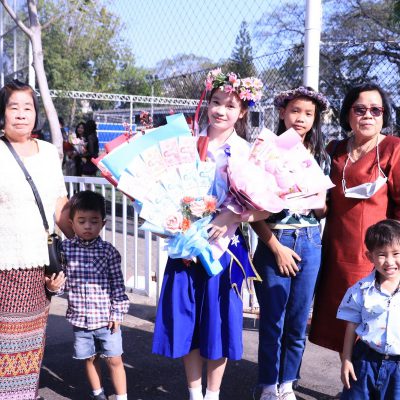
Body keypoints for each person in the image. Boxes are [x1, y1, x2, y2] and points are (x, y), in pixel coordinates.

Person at [152, 69, 269, 400]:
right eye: (216, 102)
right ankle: (194, 393)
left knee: (219, 324)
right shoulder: (186, 144)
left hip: (223, 251)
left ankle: (213, 394)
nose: (221, 110)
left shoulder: (247, 152)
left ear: (242, 112)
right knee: (187, 322)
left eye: (230, 106)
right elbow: (161, 190)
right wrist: (168, 221)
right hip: (186, 247)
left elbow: (265, 206)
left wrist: (231, 215)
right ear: (207, 103)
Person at [250, 87, 330, 400]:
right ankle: (268, 385)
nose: (301, 118)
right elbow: (250, 212)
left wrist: (319, 199)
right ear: (282, 113)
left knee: (297, 321)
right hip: (277, 239)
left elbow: (322, 212)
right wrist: (276, 248)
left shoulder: (320, 156)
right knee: (273, 321)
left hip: (310, 240)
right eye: (295, 111)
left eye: (308, 114)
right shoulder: (264, 152)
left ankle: (288, 384)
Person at [309, 83, 400, 354]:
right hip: (335, 250)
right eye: (360, 109)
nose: (367, 115)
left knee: (371, 322)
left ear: (384, 115)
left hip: (374, 253)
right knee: (343, 321)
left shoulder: (393, 149)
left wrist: (392, 253)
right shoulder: (334, 149)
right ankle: (347, 376)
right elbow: (322, 200)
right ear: (348, 114)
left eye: (375, 110)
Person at [0, 79, 72, 399]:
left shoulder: (48, 153)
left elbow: (59, 205)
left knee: (29, 352)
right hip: (3, 267)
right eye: (13, 107)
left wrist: (86, 227)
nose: (21, 114)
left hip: (39, 271)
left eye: (27, 107)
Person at [54, 190, 130, 400]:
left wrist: (117, 313)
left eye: (94, 221)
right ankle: (98, 394)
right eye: (82, 221)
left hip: (107, 320)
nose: (88, 226)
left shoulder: (108, 251)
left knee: (115, 359)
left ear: (103, 224)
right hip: (80, 320)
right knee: (89, 358)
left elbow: (118, 286)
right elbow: (61, 285)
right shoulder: (64, 250)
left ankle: (121, 397)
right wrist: (53, 287)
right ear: (72, 223)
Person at [337, 219, 400, 399]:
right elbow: (351, 326)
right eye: (382, 255)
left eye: (396, 253)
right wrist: (347, 360)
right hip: (365, 361)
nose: (389, 261)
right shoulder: (360, 290)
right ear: (370, 256)